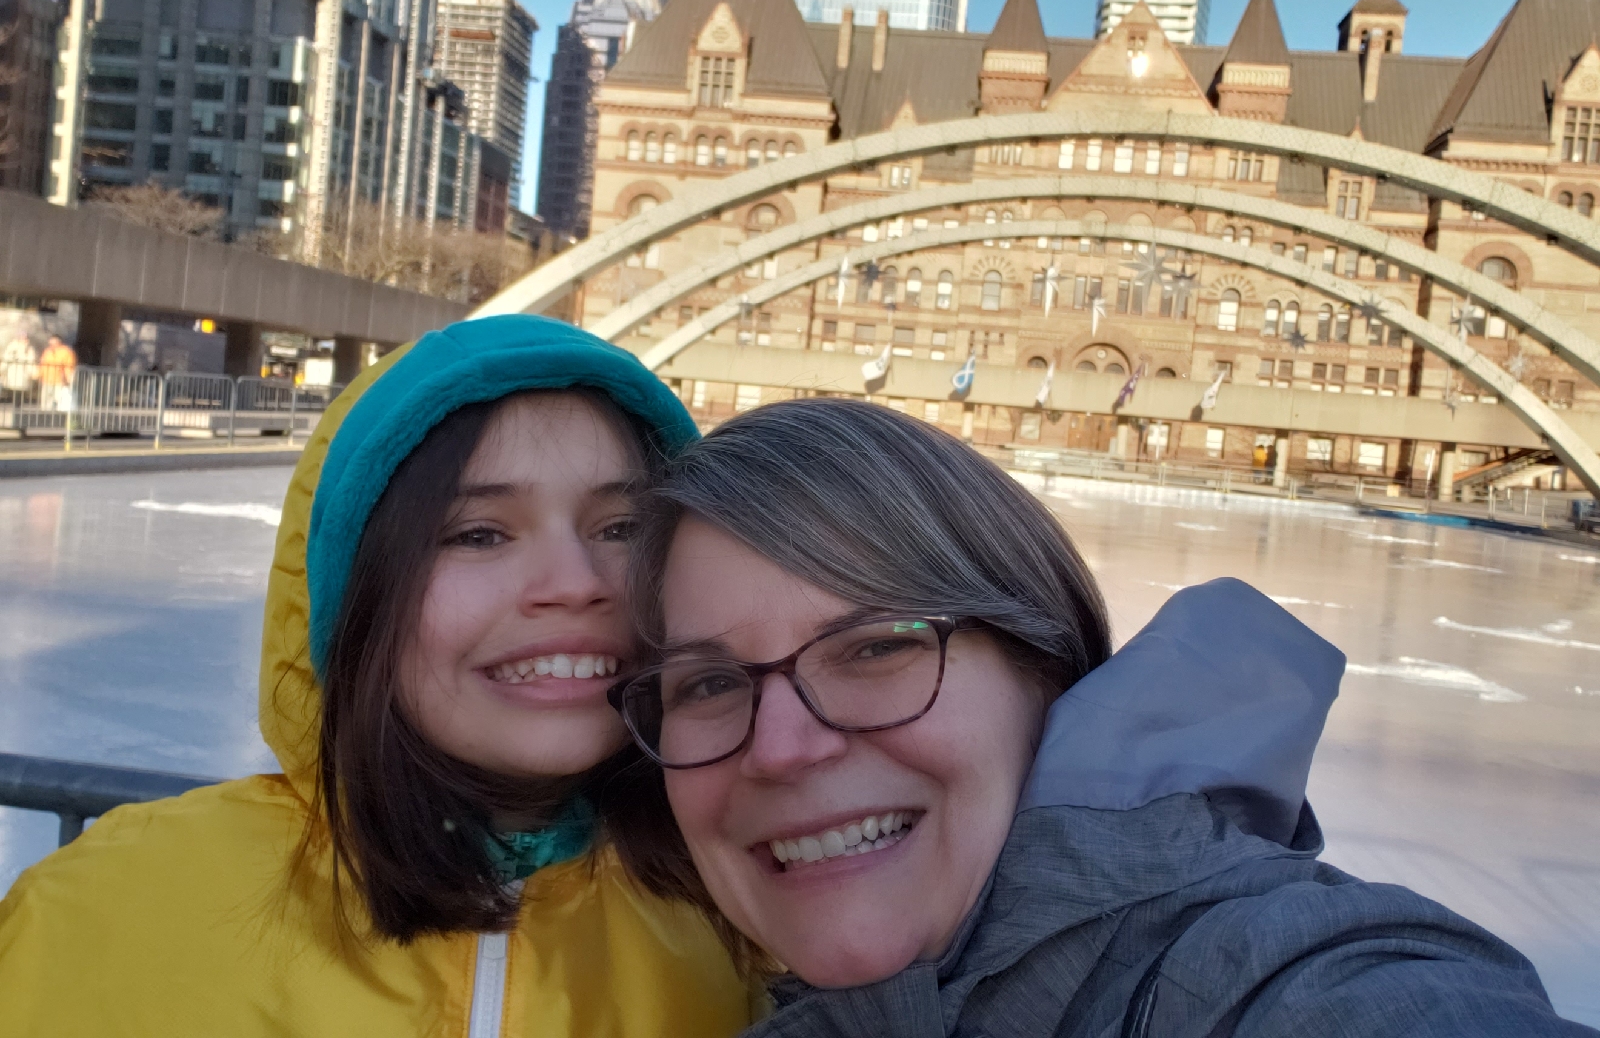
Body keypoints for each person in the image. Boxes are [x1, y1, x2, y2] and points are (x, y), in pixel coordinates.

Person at [607, 397, 1594, 1038]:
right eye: (709, 684)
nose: (782, 748)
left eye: (876, 647)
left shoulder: (1259, 976)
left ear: (1045, 671)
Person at [0, 316, 753, 1036]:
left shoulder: (754, 929)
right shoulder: (101, 920)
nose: (576, 581)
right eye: (478, 534)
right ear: (350, 593)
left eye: (622, 529)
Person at [37, 334, 76, 412]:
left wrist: (67, 379)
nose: (52, 343)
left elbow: (69, 366)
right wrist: (40, 375)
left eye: (54, 341)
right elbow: (42, 364)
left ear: (59, 341)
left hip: (60, 380)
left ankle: (58, 416)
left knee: (59, 400)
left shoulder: (66, 352)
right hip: (47, 379)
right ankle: (45, 415)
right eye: (51, 341)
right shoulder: (47, 351)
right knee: (46, 401)